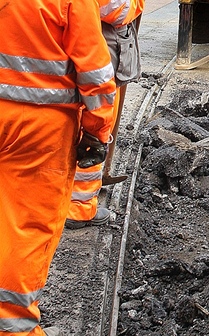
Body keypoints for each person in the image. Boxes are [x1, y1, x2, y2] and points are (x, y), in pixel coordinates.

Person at [0, 0, 116, 336]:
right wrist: (98, 131)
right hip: (39, 126)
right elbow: (95, 71)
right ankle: (13, 332)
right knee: (28, 226)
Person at [65, 0, 145, 229]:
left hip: (90, 43)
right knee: (95, 126)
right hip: (98, 46)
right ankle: (79, 208)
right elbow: (116, 9)